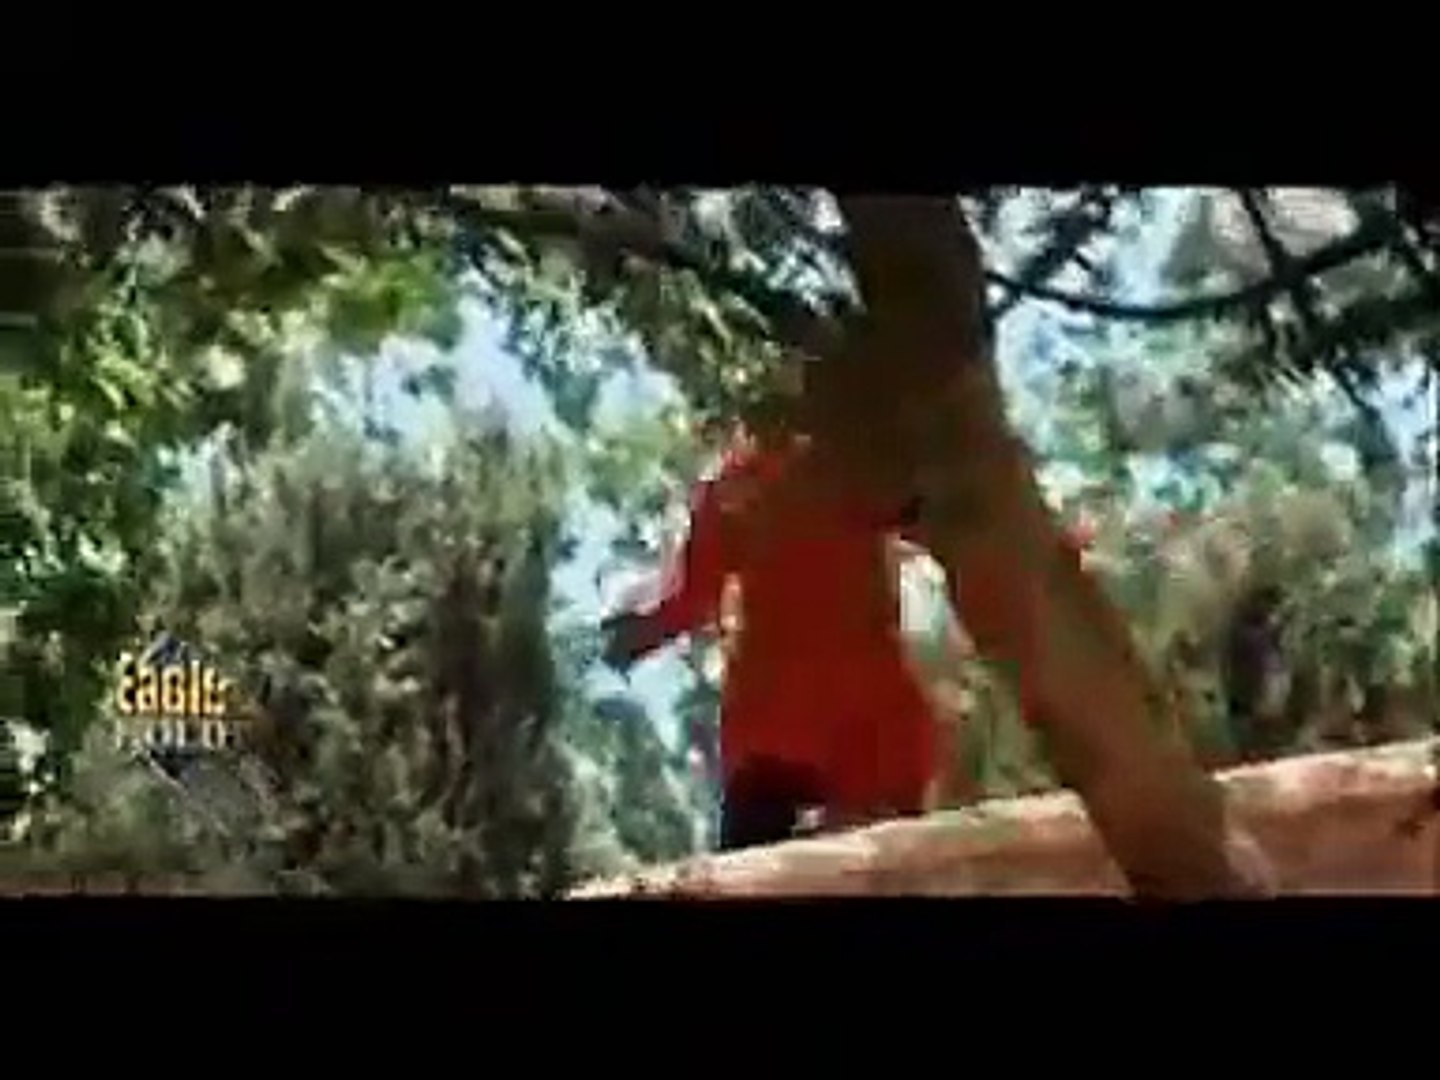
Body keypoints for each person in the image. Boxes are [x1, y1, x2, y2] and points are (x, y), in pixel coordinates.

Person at [601, 414, 956, 852]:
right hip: (850, 728)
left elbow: (689, 600)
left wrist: (638, 632)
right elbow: (944, 520)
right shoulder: (818, 472)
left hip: (809, 729)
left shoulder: (745, 485)